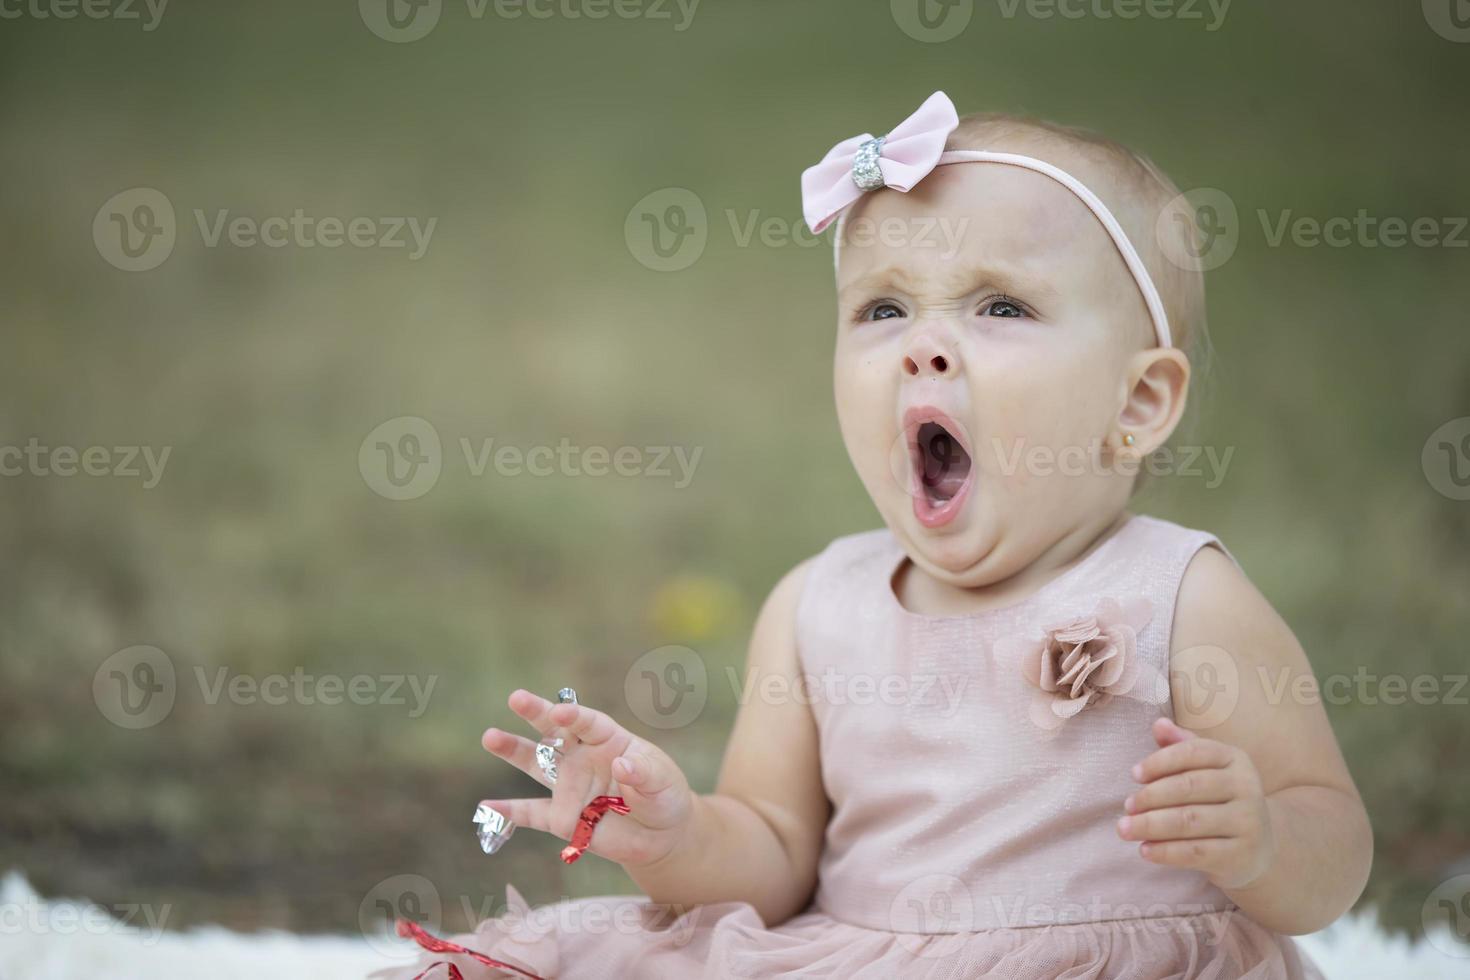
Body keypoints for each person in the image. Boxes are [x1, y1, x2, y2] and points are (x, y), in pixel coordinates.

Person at [380, 91, 1371, 979]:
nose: (922, 342)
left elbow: (1333, 840)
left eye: (1001, 304)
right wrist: (671, 832)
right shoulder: (820, 606)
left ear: (1140, 399)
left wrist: (1265, 841)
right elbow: (770, 860)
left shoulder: (1180, 597)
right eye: (884, 306)